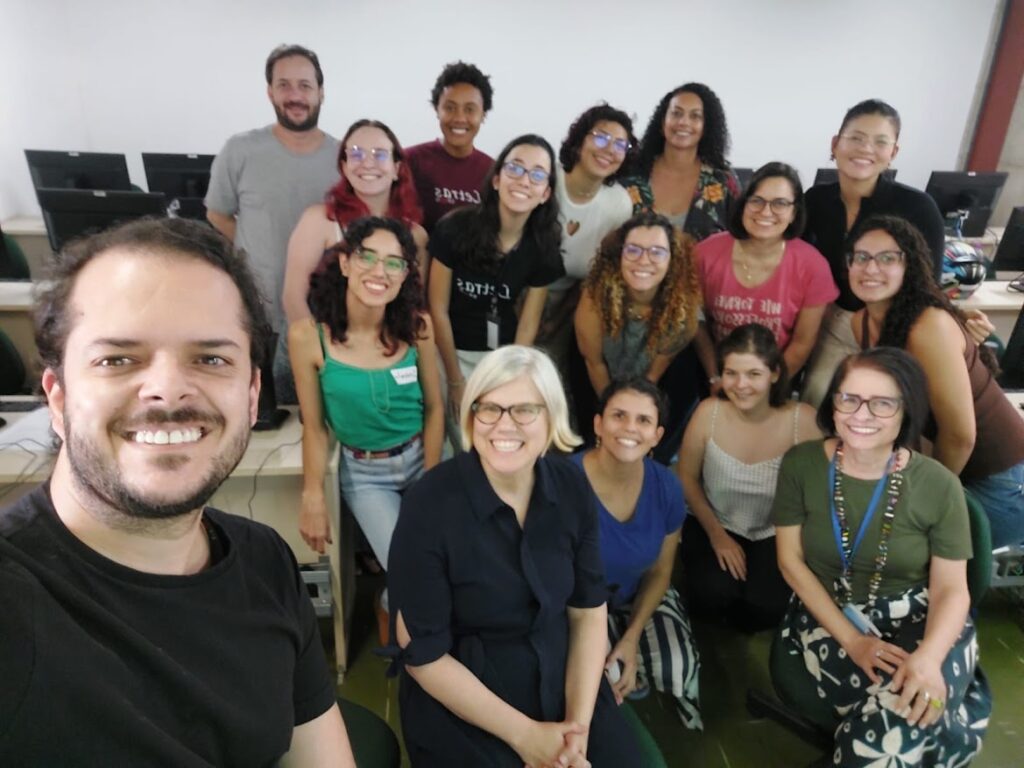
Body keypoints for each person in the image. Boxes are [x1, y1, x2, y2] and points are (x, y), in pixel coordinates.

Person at [0, 218, 354, 766]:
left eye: (210, 358)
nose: (167, 390)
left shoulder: (266, 560)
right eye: (117, 359)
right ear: (58, 396)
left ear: (254, 393)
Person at [387, 345, 643, 767]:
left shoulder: (573, 488)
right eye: (490, 408)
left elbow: (587, 612)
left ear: (551, 418)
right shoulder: (428, 504)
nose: (505, 425)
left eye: (525, 409)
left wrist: (574, 734)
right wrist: (527, 738)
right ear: (471, 416)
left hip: (565, 679)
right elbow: (423, 653)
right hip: (468, 697)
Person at [772, 347, 990, 767]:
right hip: (829, 614)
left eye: (882, 403)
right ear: (832, 403)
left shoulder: (938, 484)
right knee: (917, 717)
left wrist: (928, 658)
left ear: (906, 410)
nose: (861, 414)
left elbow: (951, 590)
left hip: (922, 616)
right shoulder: (801, 466)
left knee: (908, 708)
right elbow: (790, 563)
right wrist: (853, 640)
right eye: (848, 398)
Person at [289, 217, 444, 638]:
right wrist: (312, 493)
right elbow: (316, 427)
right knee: (413, 567)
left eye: (394, 263)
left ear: (405, 275)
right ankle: (388, 604)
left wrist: (432, 480)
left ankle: (398, 603)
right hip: (365, 474)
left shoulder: (418, 327)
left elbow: (434, 409)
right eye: (367, 257)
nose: (379, 271)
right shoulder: (308, 337)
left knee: (450, 558)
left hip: (422, 458)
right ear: (344, 263)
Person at [846, 214, 1024, 548]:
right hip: (951, 469)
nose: (871, 268)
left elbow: (959, 436)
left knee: (898, 553)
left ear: (909, 265)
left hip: (999, 486)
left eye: (887, 258)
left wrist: (920, 500)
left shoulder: (929, 326)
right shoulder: (863, 322)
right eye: (861, 257)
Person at [799, 99, 989, 406]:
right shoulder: (815, 200)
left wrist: (955, 321)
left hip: (898, 326)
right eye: (856, 138)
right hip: (833, 324)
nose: (865, 149)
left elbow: (928, 285)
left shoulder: (917, 207)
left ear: (893, 154)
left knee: (888, 410)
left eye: (880, 142)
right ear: (835, 144)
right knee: (816, 402)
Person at [206, 44, 340, 403]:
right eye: (284, 85)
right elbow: (217, 213)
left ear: (321, 92)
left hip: (323, 319)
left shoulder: (343, 159)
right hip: (259, 317)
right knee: (263, 418)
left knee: (318, 415)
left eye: (305, 85)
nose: (295, 96)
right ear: (270, 92)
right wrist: (253, 251)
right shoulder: (240, 150)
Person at [571, 378, 701, 729]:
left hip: (635, 596)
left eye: (643, 420)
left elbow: (661, 572)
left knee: (678, 666)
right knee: (594, 679)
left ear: (658, 435)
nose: (630, 428)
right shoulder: (564, 481)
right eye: (619, 416)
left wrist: (630, 638)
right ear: (598, 424)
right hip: (574, 606)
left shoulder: (666, 486)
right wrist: (594, 640)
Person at [678, 324, 819, 631]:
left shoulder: (803, 421)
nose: (741, 385)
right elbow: (686, 478)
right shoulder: (707, 413)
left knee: (766, 605)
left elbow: (820, 491)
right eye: (731, 373)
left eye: (754, 374)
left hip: (774, 530)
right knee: (712, 593)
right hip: (715, 521)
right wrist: (718, 536)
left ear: (775, 374)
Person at [428, 134, 564, 444]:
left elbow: (529, 322)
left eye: (538, 174)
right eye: (515, 168)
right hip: (449, 351)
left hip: (501, 357)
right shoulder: (454, 228)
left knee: (493, 438)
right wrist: (454, 379)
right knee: (459, 438)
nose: (524, 180)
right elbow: (437, 308)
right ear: (497, 179)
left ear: (545, 193)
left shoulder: (543, 248)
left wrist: (513, 377)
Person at [694, 162, 837, 382]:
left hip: (775, 379)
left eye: (780, 203)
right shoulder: (706, 253)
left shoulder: (813, 266)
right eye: (757, 201)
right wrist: (715, 376)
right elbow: (696, 322)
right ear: (743, 204)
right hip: (714, 374)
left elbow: (802, 343)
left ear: (793, 213)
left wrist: (768, 386)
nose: (766, 211)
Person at [574, 211, 701, 456]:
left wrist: (634, 422)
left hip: (651, 379)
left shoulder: (682, 311)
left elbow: (652, 377)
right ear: (620, 255)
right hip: (598, 375)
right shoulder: (594, 299)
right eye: (633, 250)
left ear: (671, 259)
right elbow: (594, 363)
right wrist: (613, 415)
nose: (644, 260)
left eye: (657, 252)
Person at [282, 119, 427, 327]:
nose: (367, 163)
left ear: (397, 168)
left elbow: (414, 307)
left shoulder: (416, 235)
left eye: (380, 154)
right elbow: (293, 298)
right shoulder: (319, 220)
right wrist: (316, 350)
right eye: (356, 154)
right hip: (314, 350)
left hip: (386, 352)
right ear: (344, 166)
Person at [536, 104, 636, 380]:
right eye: (601, 137)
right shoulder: (545, 179)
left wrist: (555, 322)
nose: (609, 149)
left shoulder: (619, 205)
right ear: (580, 140)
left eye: (620, 144)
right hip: (510, 300)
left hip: (566, 313)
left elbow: (595, 279)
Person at [621, 83, 740, 242]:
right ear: (663, 123)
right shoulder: (631, 170)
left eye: (695, 116)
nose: (683, 122)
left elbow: (741, 237)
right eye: (676, 113)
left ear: (706, 127)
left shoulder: (722, 181)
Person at [406, 61, 495, 231]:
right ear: (437, 110)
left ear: (483, 114)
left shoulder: (494, 173)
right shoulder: (410, 161)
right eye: (450, 108)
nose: (459, 118)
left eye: (470, 109)